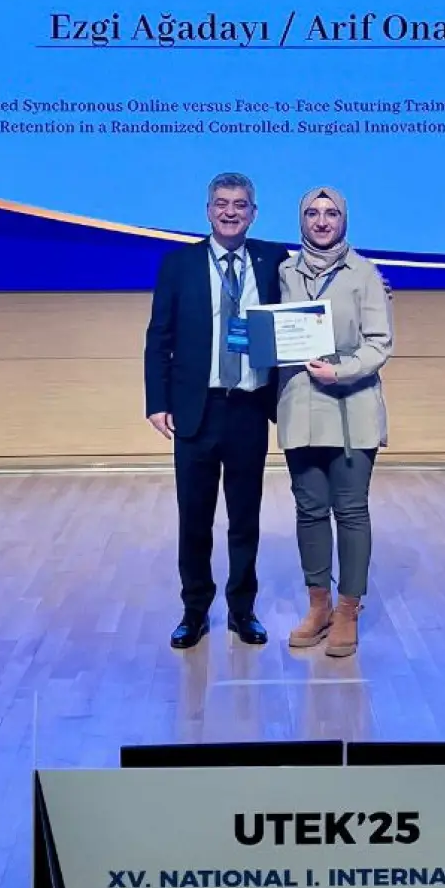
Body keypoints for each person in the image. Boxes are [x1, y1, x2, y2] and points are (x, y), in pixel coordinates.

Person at [144, 173, 289, 649]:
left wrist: (374, 285)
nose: (230, 212)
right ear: (208, 211)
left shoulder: (273, 260)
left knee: (245, 518)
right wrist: (157, 402)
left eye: (240, 204)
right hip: (196, 409)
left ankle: (242, 611)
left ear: (253, 213)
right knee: (195, 518)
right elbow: (158, 337)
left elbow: (321, 281)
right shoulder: (179, 264)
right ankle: (194, 611)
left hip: (249, 408)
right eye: (222, 203)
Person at [278, 187, 393, 658]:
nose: (321, 221)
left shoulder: (365, 274)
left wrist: (340, 371)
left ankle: (348, 610)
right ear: (301, 219)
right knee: (309, 510)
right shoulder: (283, 272)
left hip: (352, 407)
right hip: (301, 407)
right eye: (312, 213)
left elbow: (379, 343)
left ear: (344, 219)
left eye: (331, 213)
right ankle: (318, 605)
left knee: (350, 510)